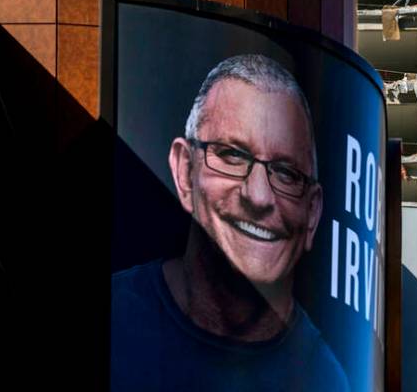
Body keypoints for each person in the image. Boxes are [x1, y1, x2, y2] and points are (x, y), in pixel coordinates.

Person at [110, 54, 349, 392]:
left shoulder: (328, 381)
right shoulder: (109, 320)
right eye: (232, 155)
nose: (259, 196)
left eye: (286, 173)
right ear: (184, 172)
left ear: (312, 213)